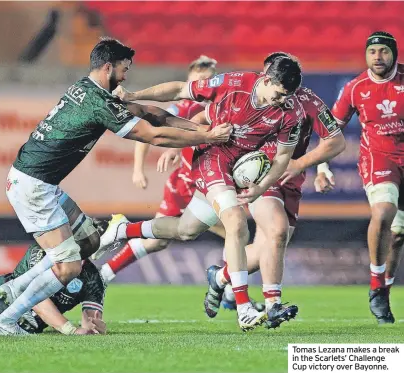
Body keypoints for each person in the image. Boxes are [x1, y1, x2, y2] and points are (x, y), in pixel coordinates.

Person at [0, 37, 232, 335]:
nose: (126, 75)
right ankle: (7, 319)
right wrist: (208, 139)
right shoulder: (98, 102)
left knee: (89, 241)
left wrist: (202, 129)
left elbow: (152, 114)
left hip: (40, 182)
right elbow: (153, 136)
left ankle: (15, 287)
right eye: (124, 69)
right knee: (69, 267)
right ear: (108, 67)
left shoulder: (87, 88)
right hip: (34, 188)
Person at [106, 56, 303, 331]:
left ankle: (122, 230)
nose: (282, 100)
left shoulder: (291, 113)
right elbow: (179, 90)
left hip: (235, 170)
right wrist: (132, 95)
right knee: (236, 222)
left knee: (185, 230)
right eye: (280, 94)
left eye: (288, 96)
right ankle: (243, 307)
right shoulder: (235, 83)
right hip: (211, 157)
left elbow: (282, 157)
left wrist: (261, 186)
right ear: (267, 80)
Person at [209, 52, 346, 328]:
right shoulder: (250, 95)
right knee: (277, 229)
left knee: (266, 249)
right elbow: (210, 116)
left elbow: (336, 140)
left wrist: (309, 166)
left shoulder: (306, 101)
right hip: (260, 175)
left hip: (292, 181)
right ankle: (273, 304)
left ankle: (220, 277)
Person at [95, 55, 227, 279]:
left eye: (208, 79)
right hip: (188, 186)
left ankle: (105, 271)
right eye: (198, 79)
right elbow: (150, 128)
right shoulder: (184, 107)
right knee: (233, 231)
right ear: (189, 79)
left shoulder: (222, 106)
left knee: (158, 241)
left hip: (205, 184)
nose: (203, 84)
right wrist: (138, 169)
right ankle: (231, 292)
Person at [317, 31, 404, 324]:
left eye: (384, 51)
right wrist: (322, 167)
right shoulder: (356, 88)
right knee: (383, 212)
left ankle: (384, 292)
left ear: (394, 54)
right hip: (380, 158)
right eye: (372, 52)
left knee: (397, 234)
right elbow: (332, 129)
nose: (378, 57)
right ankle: (376, 285)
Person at [0, 221, 108, 335]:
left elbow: (91, 321)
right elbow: (36, 299)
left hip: (14, 328)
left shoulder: (92, 278)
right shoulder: (41, 253)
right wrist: (70, 329)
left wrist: (95, 327)